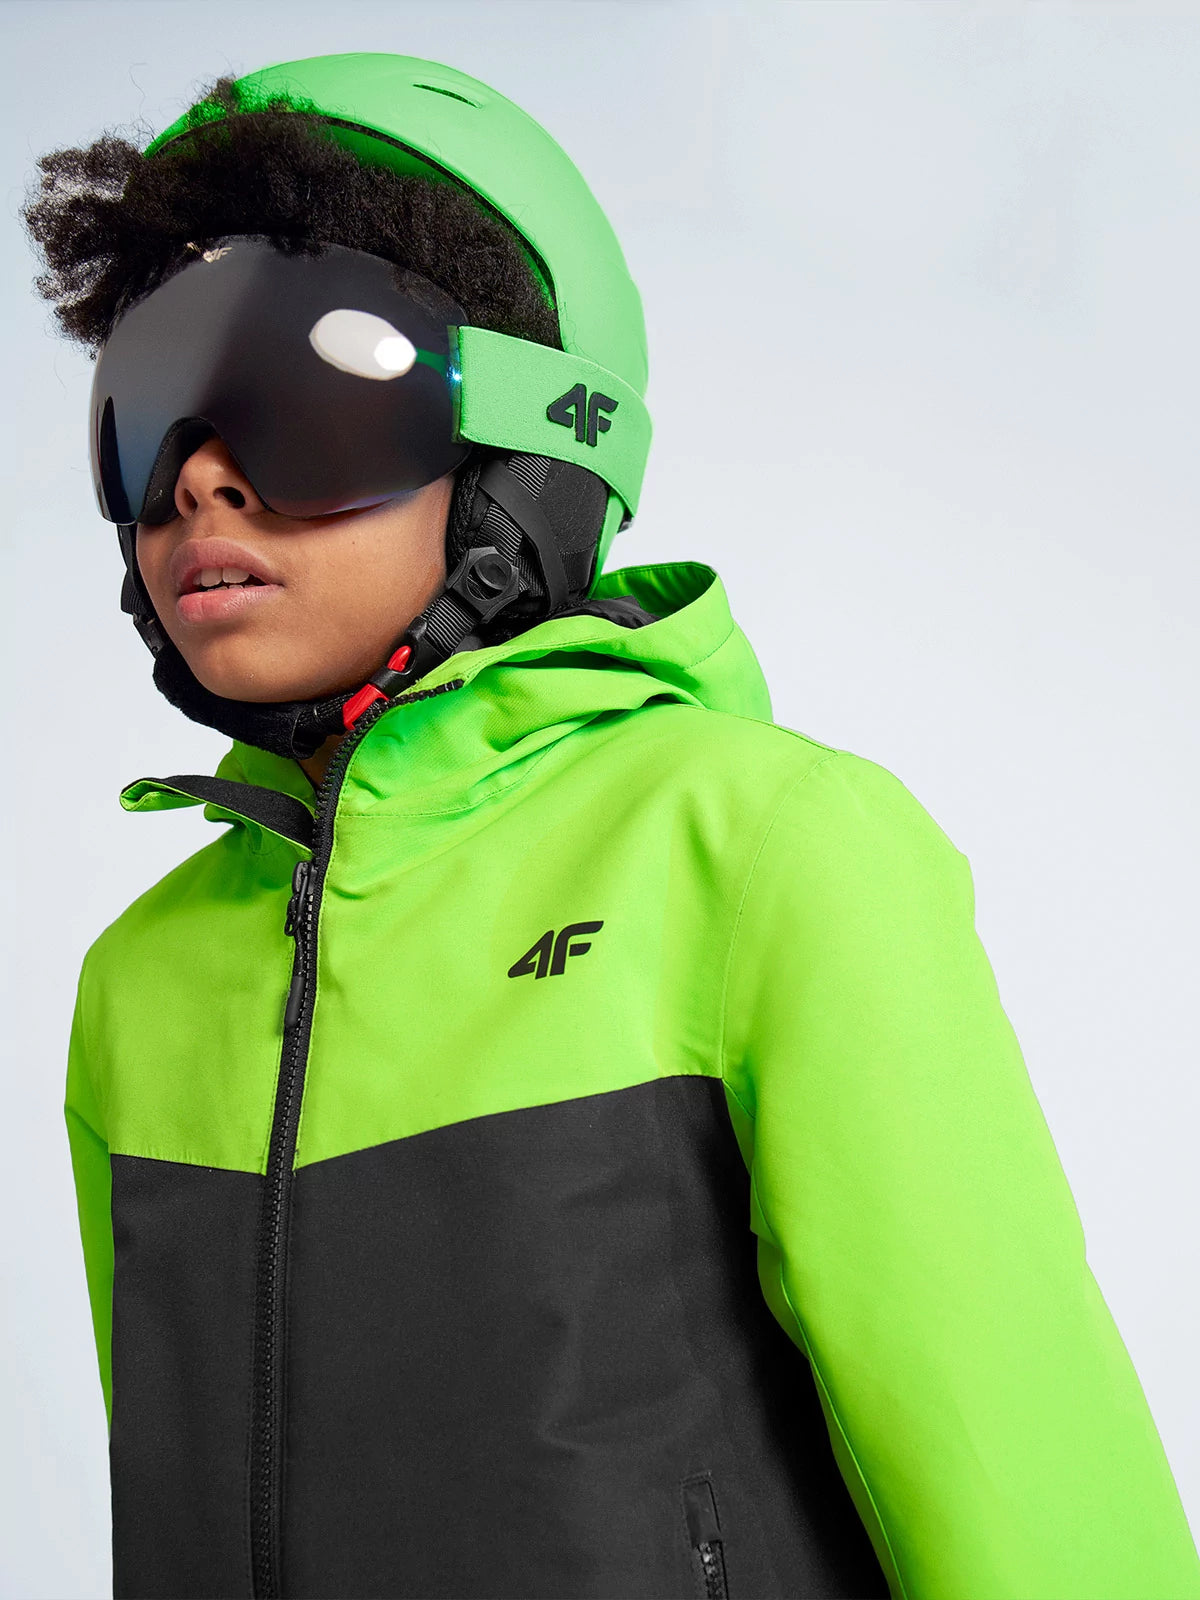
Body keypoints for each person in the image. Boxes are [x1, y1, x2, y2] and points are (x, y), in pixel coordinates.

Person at [22, 51, 1200, 1600]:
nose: (198, 485)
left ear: (525, 441)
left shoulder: (754, 843)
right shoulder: (144, 979)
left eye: (308, 393)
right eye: (150, 416)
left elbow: (1021, 1470)